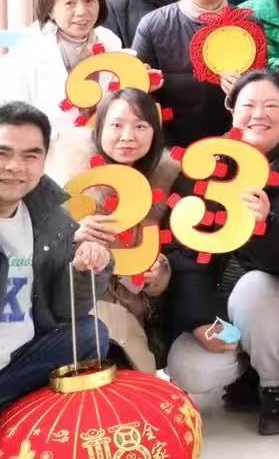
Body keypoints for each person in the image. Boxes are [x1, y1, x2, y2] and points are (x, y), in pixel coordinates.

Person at [0, 103, 111, 459]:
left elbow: (63, 312)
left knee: (90, 335)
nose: (16, 167)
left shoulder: (48, 214)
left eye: (31, 155)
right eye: (2, 153)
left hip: (4, 369)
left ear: (44, 161)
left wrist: (84, 271)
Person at [166, 71, 279, 435]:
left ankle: (275, 386)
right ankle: (245, 372)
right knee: (191, 367)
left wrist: (266, 226)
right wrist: (200, 321)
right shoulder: (207, 163)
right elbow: (183, 250)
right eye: (248, 105)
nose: (259, 114)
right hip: (220, 304)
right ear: (231, 109)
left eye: (271, 106)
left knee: (255, 287)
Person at [0, 0, 121, 183]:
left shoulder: (111, 43)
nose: (82, 11)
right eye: (69, 3)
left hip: (106, 151)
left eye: (89, 0)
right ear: (49, 10)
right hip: (45, 158)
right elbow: (2, 118)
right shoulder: (28, 54)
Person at [79, 89, 177, 373]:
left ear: (154, 132)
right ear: (99, 129)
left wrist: (159, 273)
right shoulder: (70, 181)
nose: (128, 136)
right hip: (80, 312)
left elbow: (179, 252)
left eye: (140, 126)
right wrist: (73, 234)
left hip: (139, 314)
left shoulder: (169, 181)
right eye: (116, 125)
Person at [131, 0, 240, 146]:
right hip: (168, 149)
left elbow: (263, 88)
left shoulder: (248, 23)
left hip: (235, 146)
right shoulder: (153, 25)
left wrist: (245, 89)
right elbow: (135, 96)